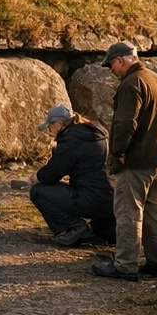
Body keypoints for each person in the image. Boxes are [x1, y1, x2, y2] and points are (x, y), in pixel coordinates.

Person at [92, 42, 157, 281]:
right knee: (155, 212)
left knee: (128, 211)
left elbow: (125, 123)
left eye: (111, 65)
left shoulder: (131, 83)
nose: (111, 70)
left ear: (121, 60)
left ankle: (125, 264)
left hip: (138, 160)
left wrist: (118, 151)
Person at [28, 102, 116, 247]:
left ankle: (74, 229)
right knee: (104, 232)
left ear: (58, 125)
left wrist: (37, 175)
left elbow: (51, 176)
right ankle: (108, 229)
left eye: (49, 127)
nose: (49, 133)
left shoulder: (72, 140)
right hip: (113, 199)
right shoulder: (96, 133)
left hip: (91, 199)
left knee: (38, 191)